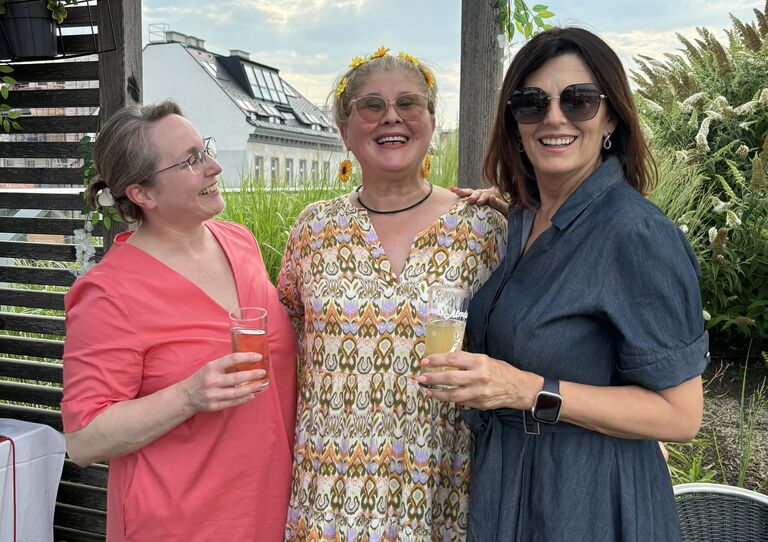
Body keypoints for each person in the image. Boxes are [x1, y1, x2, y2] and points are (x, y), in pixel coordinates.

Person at [419, 27, 709, 541]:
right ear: (515, 123)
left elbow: (680, 415)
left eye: (579, 101)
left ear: (611, 118)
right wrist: (511, 207)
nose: (554, 117)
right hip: (511, 483)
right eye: (532, 103)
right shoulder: (526, 219)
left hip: (587, 498)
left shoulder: (637, 235)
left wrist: (528, 389)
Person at [277, 48, 507, 540]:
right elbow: (286, 339)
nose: (392, 117)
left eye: (409, 102)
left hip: (439, 486)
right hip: (329, 492)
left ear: (430, 119)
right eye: (371, 106)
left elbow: (524, 339)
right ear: (344, 130)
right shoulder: (314, 229)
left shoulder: (485, 228)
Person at [60, 101, 297, 542]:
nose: (214, 167)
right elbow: (84, 440)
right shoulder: (110, 292)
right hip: (180, 525)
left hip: (270, 513)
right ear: (142, 195)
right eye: (191, 161)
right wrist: (188, 395)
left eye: (203, 149)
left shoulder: (239, 241)